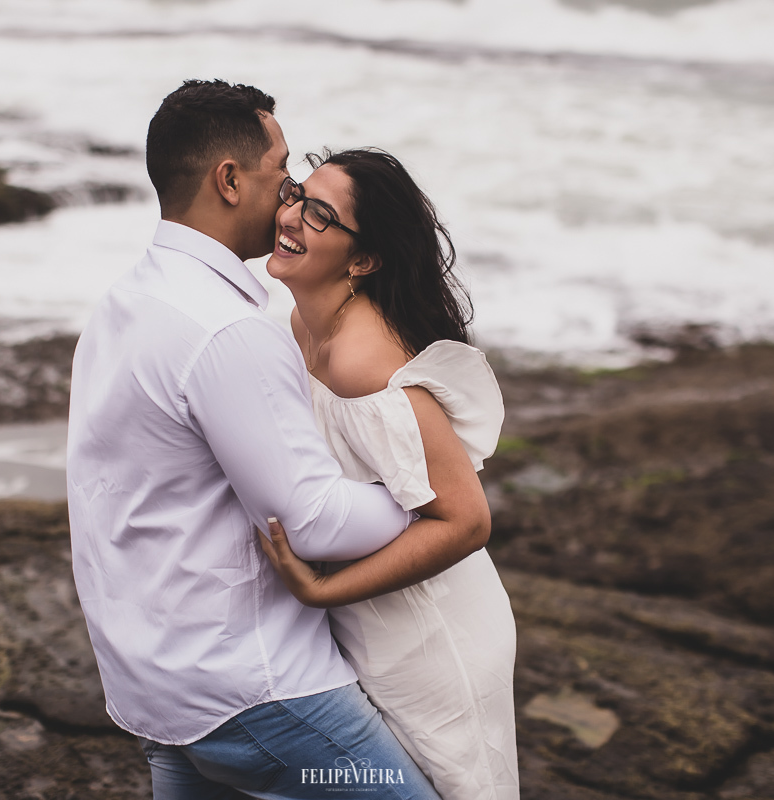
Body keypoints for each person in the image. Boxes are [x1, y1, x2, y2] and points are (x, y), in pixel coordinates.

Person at [66, 80, 450, 798]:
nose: (291, 190)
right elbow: (311, 521)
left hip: (152, 685)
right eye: (281, 171)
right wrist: (420, 503)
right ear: (230, 180)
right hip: (258, 695)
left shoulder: (125, 303)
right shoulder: (228, 330)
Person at [258, 148, 520, 799]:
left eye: (318, 214)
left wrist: (321, 592)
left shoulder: (365, 367)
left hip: (434, 634)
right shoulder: (299, 325)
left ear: (364, 260)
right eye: (296, 195)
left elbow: (466, 520)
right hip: (371, 618)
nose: (289, 216)